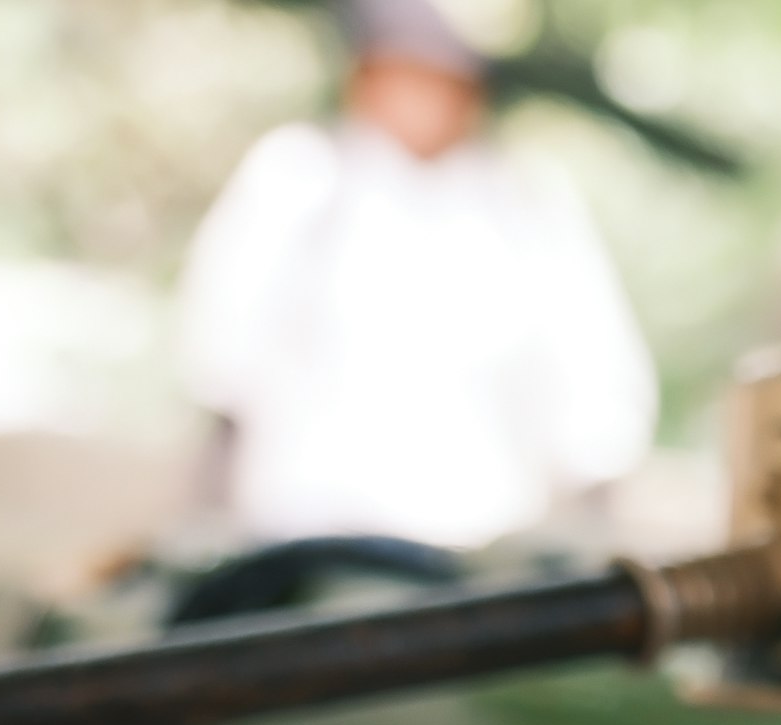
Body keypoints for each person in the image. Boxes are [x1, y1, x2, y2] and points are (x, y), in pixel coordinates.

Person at [178, 0, 661, 552]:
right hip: (304, 532)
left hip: (469, 547)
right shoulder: (299, 177)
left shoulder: (527, 204)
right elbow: (222, 356)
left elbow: (596, 376)